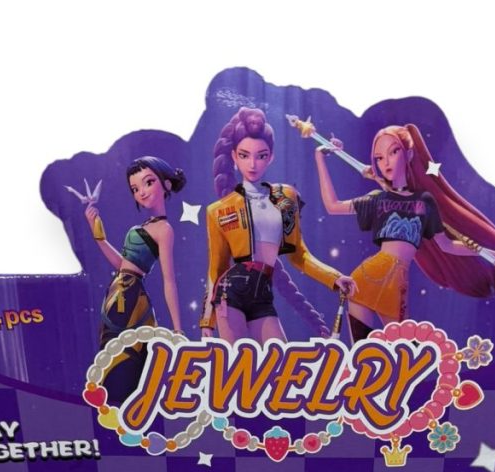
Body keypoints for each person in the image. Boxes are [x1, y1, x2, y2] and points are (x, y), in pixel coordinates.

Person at [312, 124, 495, 339]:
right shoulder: (378, 199)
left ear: (409, 154)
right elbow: (333, 206)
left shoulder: (424, 202)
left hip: (397, 285)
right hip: (366, 278)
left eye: (393, 152)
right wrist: (320, 158)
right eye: (379, 158)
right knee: (363, 352)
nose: (386, 162)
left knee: (404, 350)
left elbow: (447, 245)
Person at [201, 106, 354, 342]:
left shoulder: (286, 197)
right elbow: (216, 268)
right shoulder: (218, 210)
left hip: (263, 293)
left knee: (279, 358)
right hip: (229, 292)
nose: (253, 164)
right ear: (234, 157)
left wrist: (334, 277)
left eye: (261, 156)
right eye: (244, 155)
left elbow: (299, 256)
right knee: (237, 362)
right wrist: (207, 320)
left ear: (271, 157)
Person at [73, 156, 185, 399]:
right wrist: (97, 233)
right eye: (135, 188)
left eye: (148, 183)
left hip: (130, 295)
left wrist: (178, 328)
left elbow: (169, 280)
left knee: (126, 352)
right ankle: (116, 403)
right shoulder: (147, 225)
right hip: (119, 290)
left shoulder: (164, 230)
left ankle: (126, 402)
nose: (141, 192)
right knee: (113, 350)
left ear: (166, 184)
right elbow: (121, 264)